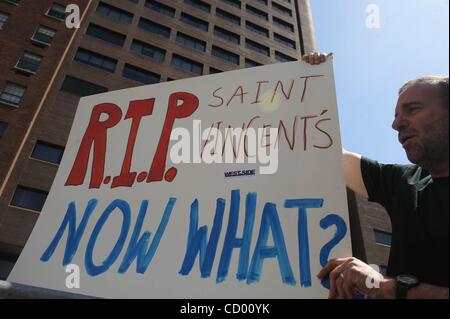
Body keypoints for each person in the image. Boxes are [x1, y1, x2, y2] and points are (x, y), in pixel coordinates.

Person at [302, 52, 449, 299]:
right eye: (396, 115)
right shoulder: (404, 182)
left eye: (412, 110)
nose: (397, 124)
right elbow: (328, 153)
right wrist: (310, 80)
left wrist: (386, 287)